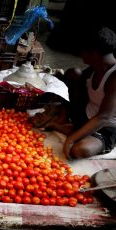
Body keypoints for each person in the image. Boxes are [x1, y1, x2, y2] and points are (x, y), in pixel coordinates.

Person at [48, 27, 116, 160]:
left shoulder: (114, 77)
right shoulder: (96, 67)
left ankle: (72, 130)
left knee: (80, 149)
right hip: (86, 115)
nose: (80, 54)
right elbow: (72, 82)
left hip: (105, 126)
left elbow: (103, 117)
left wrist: (71, 139)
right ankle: (67, 123)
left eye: (83, 50)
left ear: (94, 53)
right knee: (73, 73)